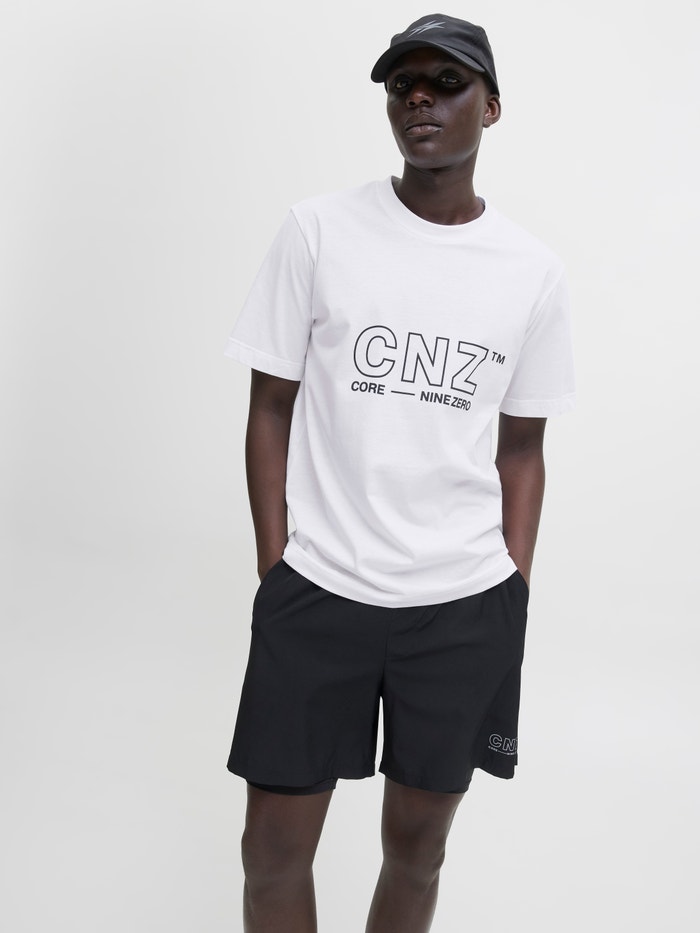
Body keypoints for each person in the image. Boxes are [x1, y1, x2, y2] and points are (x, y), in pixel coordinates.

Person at [223, 13, 575, 932]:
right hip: (320, 588)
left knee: (418, 849)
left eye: (447, 82)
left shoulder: (531, 272)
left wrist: (513, 590)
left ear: (490, 108)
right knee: (270, 854)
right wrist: (276, 567)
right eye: (402, 83)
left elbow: (523, 449)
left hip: (461, 605)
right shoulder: (318, 231)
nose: (420, 97)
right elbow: (269, 407)